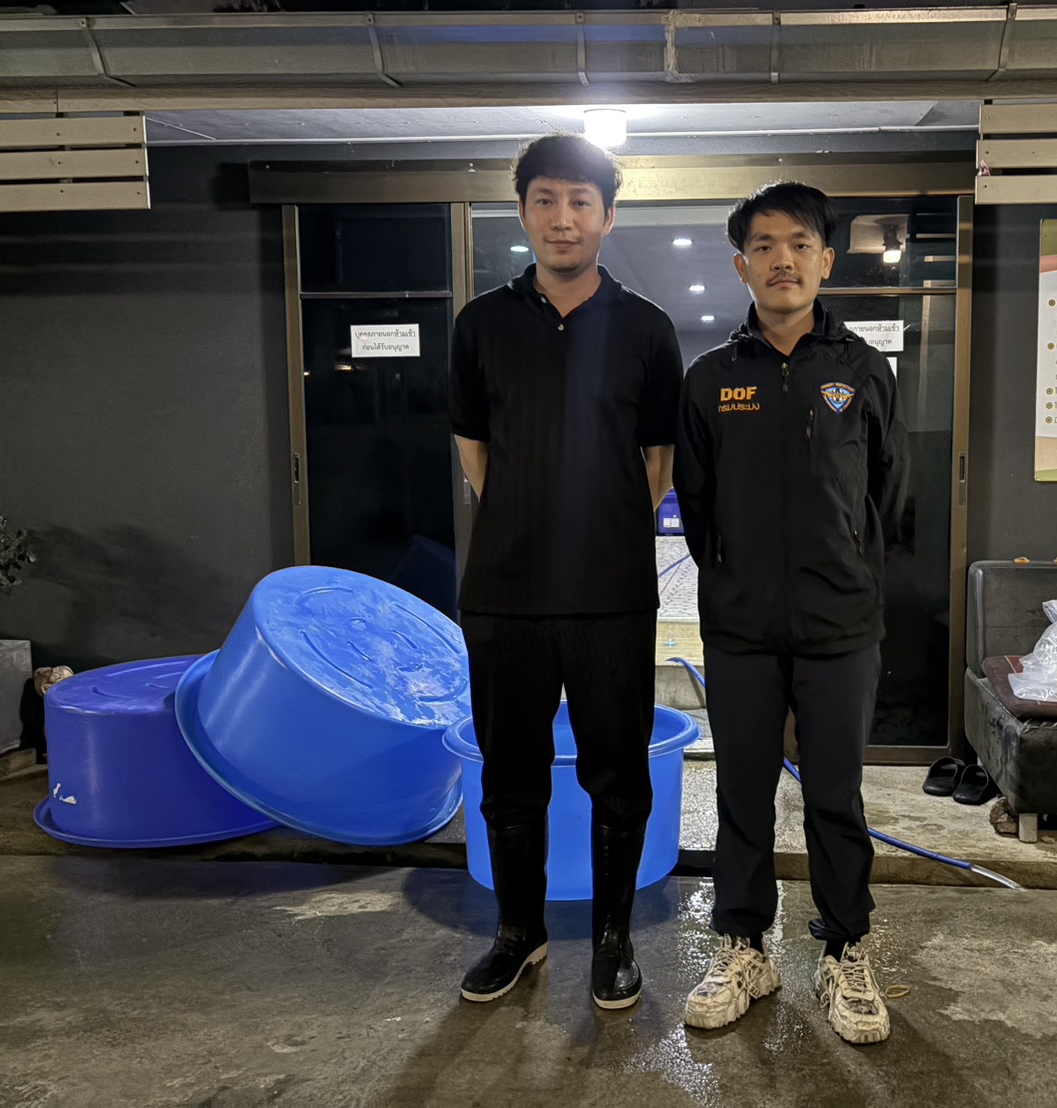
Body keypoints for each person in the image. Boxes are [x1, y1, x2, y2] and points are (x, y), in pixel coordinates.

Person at [448, 134, 683, 1010]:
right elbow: (475, 449)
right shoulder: (481, 324)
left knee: (617, 776)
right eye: (545, 199)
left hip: (610, 594)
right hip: (504, 593)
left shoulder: (647, 328)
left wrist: (597, 530)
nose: (562, 217)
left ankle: (614, 941)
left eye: (581, 201)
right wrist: (528, 520)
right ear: (522, 212)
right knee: (509, 776)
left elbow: (656, 459)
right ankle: (519, 933)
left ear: (607, 217)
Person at [673, 182, 907, 1044]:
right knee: (741, 791)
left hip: (841, 626)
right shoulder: (710, 378)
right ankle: (744, 946)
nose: (783, 260)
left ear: (825, 260)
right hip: (740, 628)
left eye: (799, 244)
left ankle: (844, 949)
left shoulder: (862, 370)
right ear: (741, 265)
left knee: (835, 795)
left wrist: (848, 569)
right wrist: (734, 578)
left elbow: (888, 494)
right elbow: (696, 503)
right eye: (764, 246)